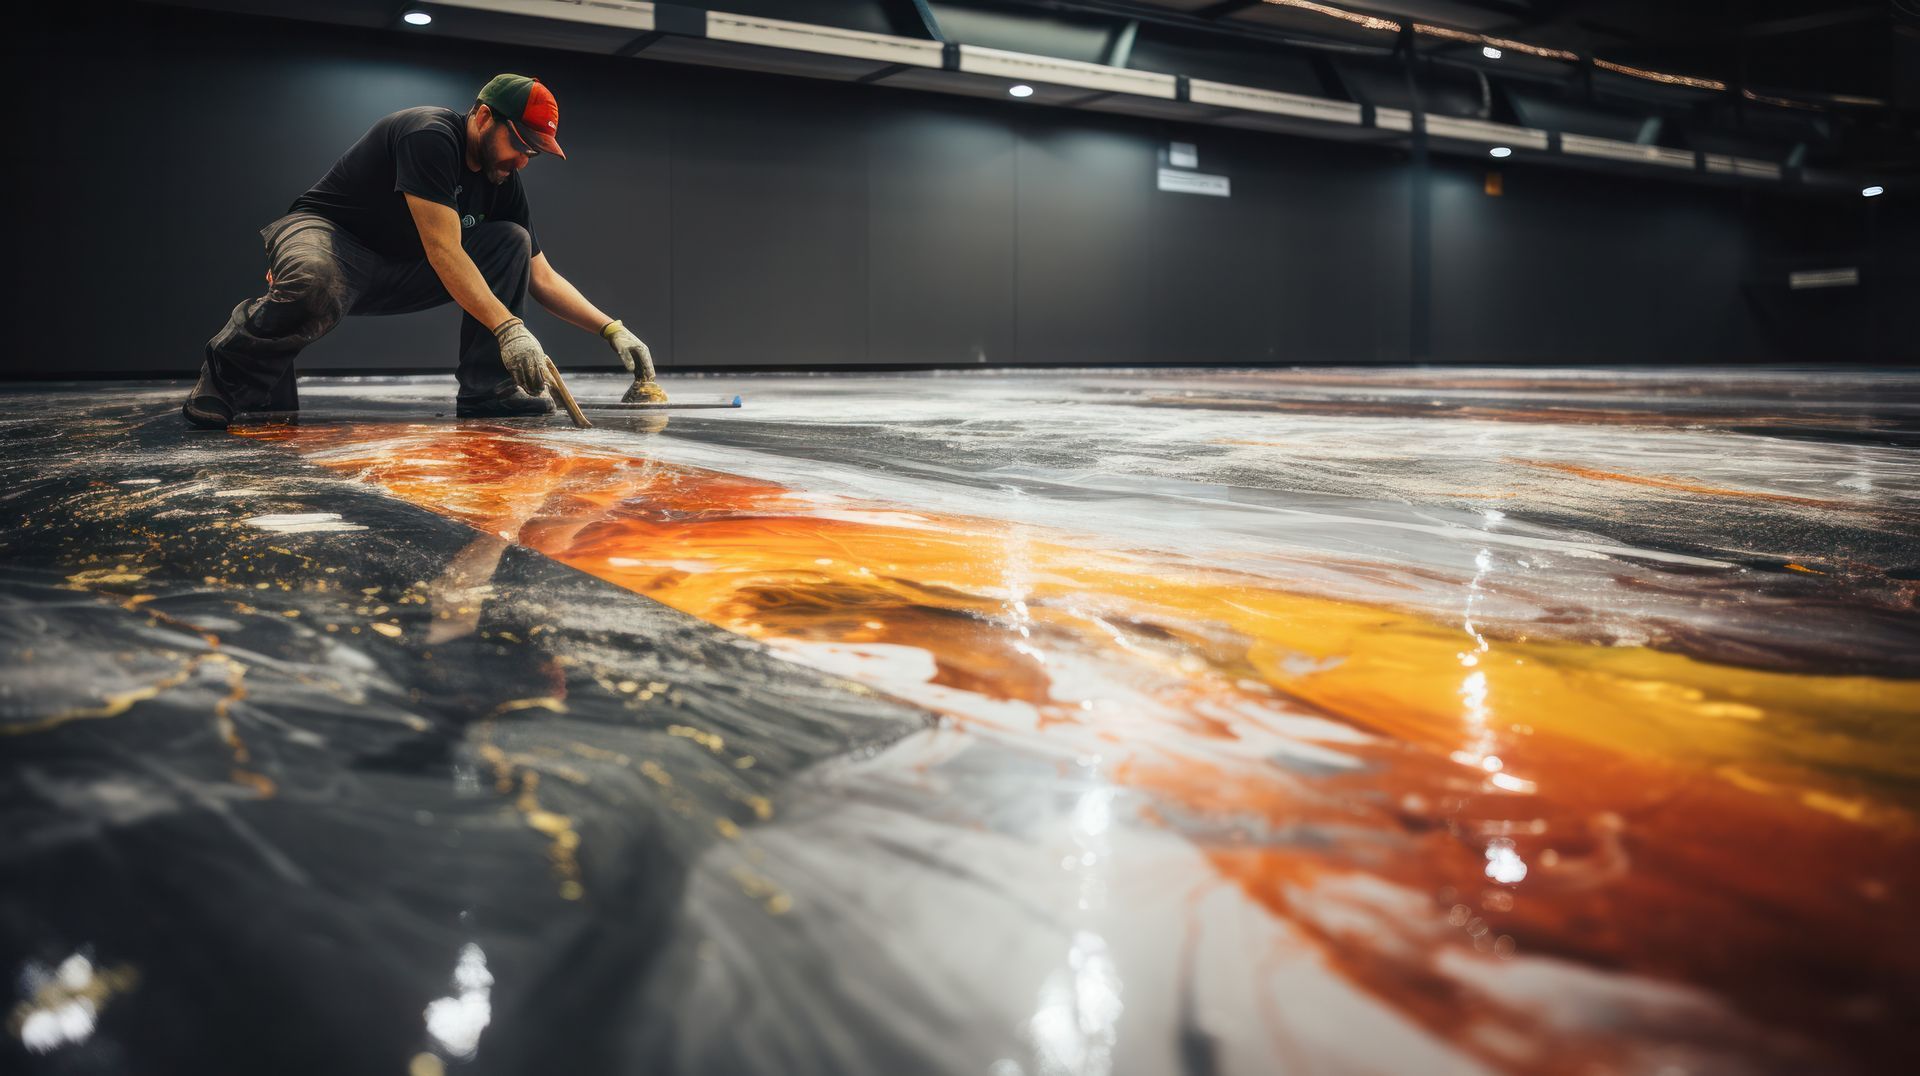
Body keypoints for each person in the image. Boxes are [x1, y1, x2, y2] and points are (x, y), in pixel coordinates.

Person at [184, 73, 664, 428]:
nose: (523, 159)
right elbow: (443, 249)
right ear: (482, 116)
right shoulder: (430, 135)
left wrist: (612, 329)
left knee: (509, 241)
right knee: (314, 279)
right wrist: (511, 329)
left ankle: (488, 391)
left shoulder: (503, 180)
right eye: (519, 143)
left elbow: (542, 276)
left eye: (533, 152)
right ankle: (222, 386)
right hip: (330, 238)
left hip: (400, 265)